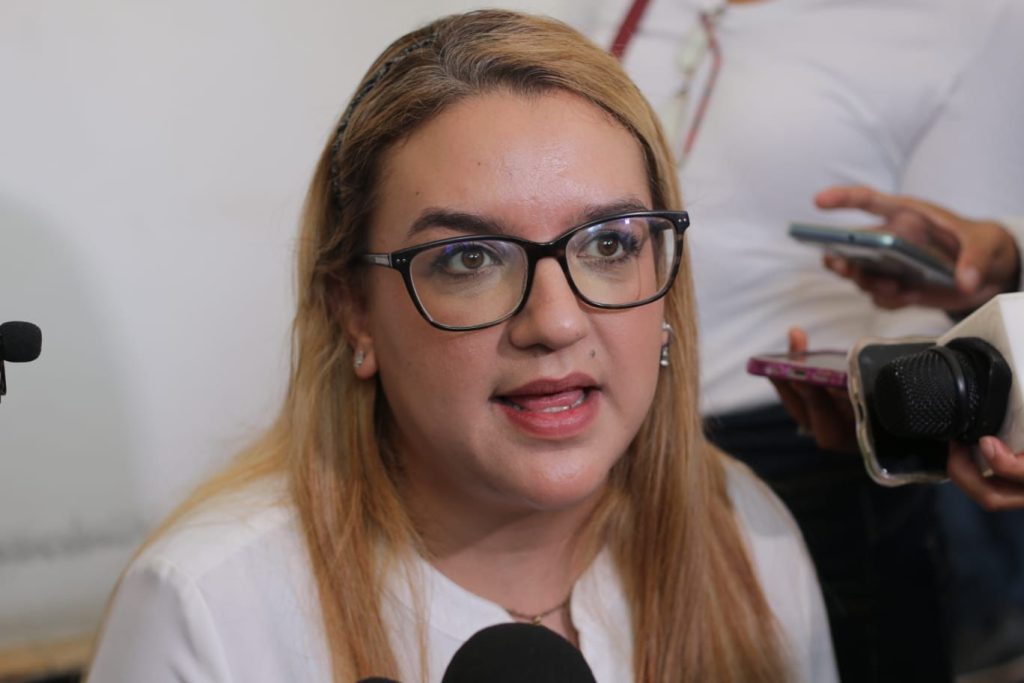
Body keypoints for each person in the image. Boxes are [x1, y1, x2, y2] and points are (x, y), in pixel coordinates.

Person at [85, 10, 836, 682]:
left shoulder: (746, 535)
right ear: (354, 312)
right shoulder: (206, 612)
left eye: (608, 243)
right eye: (470, 258)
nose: (556, 322)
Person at [581, 0, 1024, 680]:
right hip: (607, 435)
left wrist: (976, 258)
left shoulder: (965, 21)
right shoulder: (632, 11)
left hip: (800, 445)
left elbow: (980, 298)